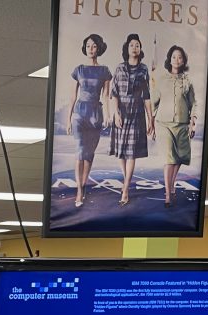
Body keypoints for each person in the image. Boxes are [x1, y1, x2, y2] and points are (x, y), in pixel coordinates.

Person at [66, 33, 112, 208]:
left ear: (98, 48)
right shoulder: (78, 70)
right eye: (88, 46)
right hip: (80, 112)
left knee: (89, 154)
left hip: (95, 113)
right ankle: (79, 189)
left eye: (93, 46)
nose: (90, 49)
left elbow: (106, 96)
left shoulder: (105, 71)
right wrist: (69, 119)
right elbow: (73, 96)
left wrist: (108, 115)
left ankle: (84, 185)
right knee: (80, 150)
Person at [110, 33, 155, 206]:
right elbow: (114, 93)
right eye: (131, 45)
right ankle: (126, 180)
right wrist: (116, 113)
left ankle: (126, 189)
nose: (134, 48)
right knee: (121, 152)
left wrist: (151, 119)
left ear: (140, 49)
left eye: (137, 45)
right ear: (127, 49)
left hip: (136, 114)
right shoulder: (119, 68)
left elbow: (146, 96)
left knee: (131, 153)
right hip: (121, 114)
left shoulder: (144, 69)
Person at [152, 44, 197, 207]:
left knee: (180, 157)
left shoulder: (187, 81)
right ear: (169, 60)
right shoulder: (162, 80)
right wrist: (151, 123)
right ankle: (168, 193)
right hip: (163, 124)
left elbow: (193, 103)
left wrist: (193, 122)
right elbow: (154, 102)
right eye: (173, 57)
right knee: (169, 158)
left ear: (183, 60)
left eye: (179, 57)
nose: (176, 60)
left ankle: (171, 185)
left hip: (182, 124)